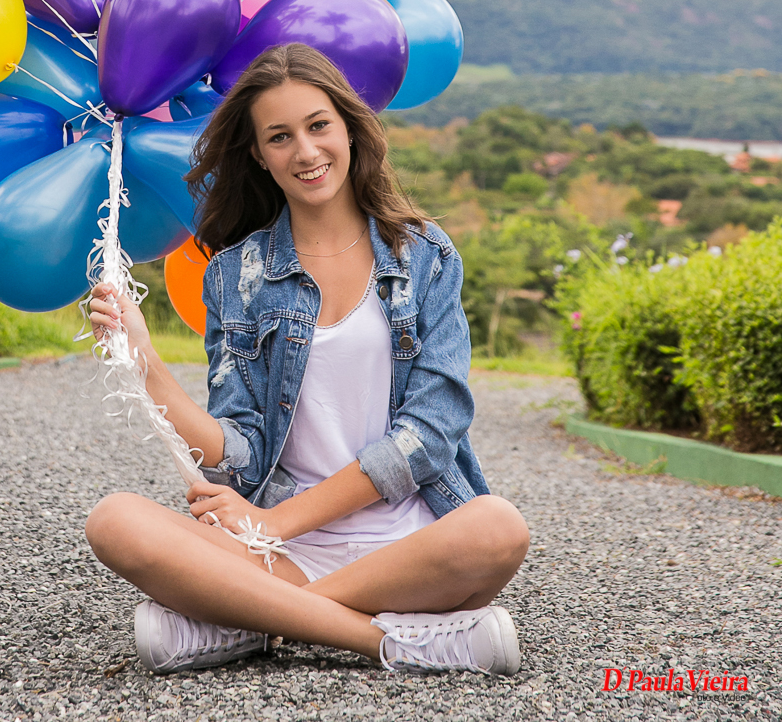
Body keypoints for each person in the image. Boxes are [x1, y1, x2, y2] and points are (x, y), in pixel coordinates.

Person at [86, 42, 529, 677]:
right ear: (261, 157)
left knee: (498, 528)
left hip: (411, 546)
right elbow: (239, 445)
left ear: (350, 128)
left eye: (319, 125)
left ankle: (247, 625)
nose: (306, 151)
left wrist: (275, 520)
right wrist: (146, 360)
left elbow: (430, 435)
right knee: (115, 521)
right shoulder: (236, 273)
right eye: (280, 137)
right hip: (280, 553)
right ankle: (390, 641)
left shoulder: (425, 253)